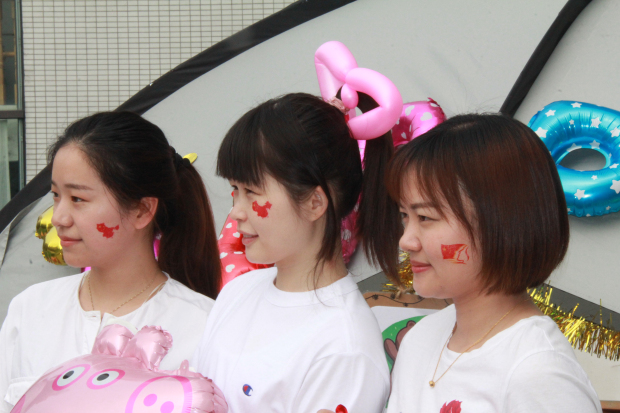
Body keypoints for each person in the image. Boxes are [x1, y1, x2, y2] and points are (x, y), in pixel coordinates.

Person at [192, 93, 402, 413]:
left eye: (251, 192)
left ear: (314, 203)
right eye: (235, 190)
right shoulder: (237, 292)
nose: (236, 212)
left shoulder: (345, 348)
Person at [0, 111, 221, 412]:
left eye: (78, 199)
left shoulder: (203, 326)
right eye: (55, 195)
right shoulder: (30, 310)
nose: (59, 218)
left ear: (142, 210)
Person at [385, 114, 602, 413]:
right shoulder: (419, 340)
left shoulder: (538, 370)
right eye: (404, 216)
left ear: (499, 222)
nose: (406, 241)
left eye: (425, 217)